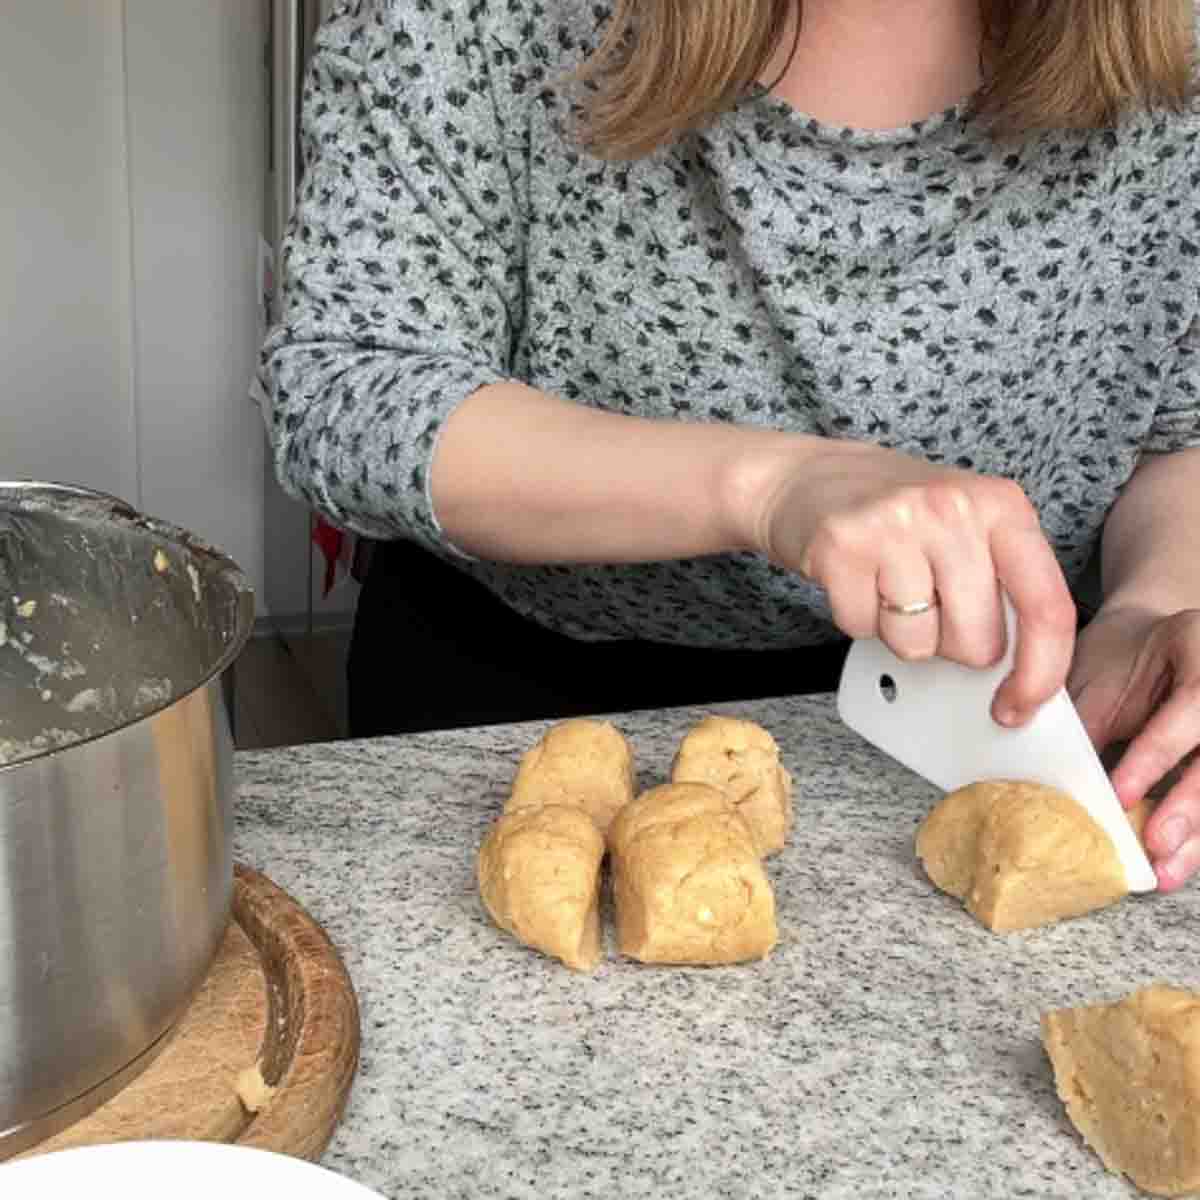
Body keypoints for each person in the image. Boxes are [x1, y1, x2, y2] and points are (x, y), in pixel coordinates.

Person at [260, 0, 1200, 890]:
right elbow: (350, 385)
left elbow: (1180, 423)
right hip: (528, 697)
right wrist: (772, 485)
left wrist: (1154, 604)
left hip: (1007, 719)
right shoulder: (486, 21)